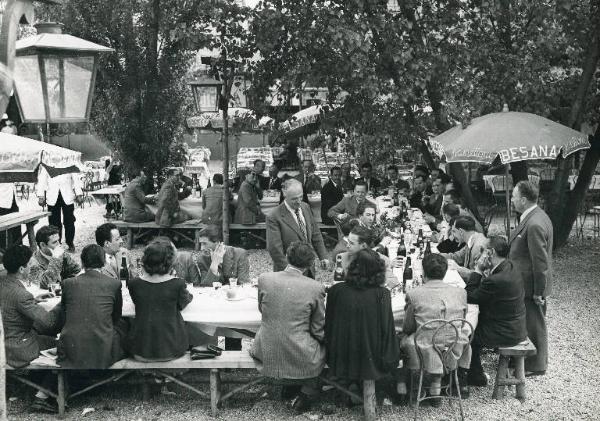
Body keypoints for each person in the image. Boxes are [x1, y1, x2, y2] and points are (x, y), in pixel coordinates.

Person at [250, 242, 326, 413]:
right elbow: (318, 328)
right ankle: (306, 392)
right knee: (322, 349)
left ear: (286, 257)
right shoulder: (316, 288)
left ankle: (290, 387)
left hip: (266, 350)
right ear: (310, 264)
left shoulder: (264, 279)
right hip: (300, 354)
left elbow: (262, 310)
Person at [396, 253, 471, 405]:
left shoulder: (414, 294)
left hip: (423, 346)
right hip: (454, 345)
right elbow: (462, 323)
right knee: (454, 335)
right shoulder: (461, 292)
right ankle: (436, 385)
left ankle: (406, 384)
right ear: (445, 273)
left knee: (400, 337)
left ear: (423, 272)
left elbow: (408, 326)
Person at [325, 249, 400, 394]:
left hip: (339, 354)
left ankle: (350, 383)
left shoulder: (336, 290)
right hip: (371, 356)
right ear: (378, 270)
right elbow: (387, 329)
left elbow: (329, 324)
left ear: (352, 267)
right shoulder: (383, 294)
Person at [0, 245, 61, 412]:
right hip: (17, 347)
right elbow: (49, 322)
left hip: (4, 341)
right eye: (29, 265)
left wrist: (34, 299)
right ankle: (42, 397)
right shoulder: (22, 295)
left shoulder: (4, 282)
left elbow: (12, 302)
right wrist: (62, 304)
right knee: (62, 345)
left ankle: (37, 380)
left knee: (43, 334)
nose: (32, 267)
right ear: (21, 268)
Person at [466, 236, 527, 386]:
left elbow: (470, 297)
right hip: (515, 324)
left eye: (482, 250)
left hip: (505, 331)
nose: (480, 255)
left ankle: (475, 377)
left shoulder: (495, 280)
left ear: (490, 252)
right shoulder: (510, 266)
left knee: (467, 335)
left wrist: (478, 270)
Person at [509, 180, 553, 375]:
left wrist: (538, 291)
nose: (511, 199)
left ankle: (536, 365)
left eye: (514, 196)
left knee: (535, 323)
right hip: (525, 282)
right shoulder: (534, 216)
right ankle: (531, 361)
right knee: (530, 321)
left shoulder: (534, 223)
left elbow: (540, 262)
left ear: (524, 200)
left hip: (530, 284)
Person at [57, 244, 126, 368]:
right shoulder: (114, 284)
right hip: (102, 351)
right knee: (123, 326)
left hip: (72, 350)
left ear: (82, 263)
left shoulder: (68, 283)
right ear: (104, 263)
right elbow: (116, 316)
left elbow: (64, 315)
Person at [126, 238, 193, 361]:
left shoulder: (134, 284)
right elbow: (184, 302)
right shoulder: (177, 284)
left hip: (140, 350)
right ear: (169, 263)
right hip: (171, 350)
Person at [266, 179, 329, 276]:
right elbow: (275, 249)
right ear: (285, 195)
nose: (299, 201)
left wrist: (323, 257)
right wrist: (291, 272)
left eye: (301, 197)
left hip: (308, 268)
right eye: (294, 199)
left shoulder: (306, 207)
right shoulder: (274, 216)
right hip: (287, 272)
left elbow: (316, 234)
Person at [173, 224, 250, 286]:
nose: (201, 248)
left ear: (217, 243)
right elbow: (205, 287)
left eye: (204, 244)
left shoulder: (239, 254)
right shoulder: (202, 259)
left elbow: (244, 285)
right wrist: (214, 265)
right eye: (200, 244)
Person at [36, 167, 83, 252]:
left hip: (67, 196)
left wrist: (79, 194)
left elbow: (76, 179)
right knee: (54, 223)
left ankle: (70, 243)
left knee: (69, 221)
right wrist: (41, 195)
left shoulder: (69, 160)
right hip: (52, 196)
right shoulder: (47, 162)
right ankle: (56, 245)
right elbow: (42, 179)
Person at [29, 225, 81, 290]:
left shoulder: (59, 252)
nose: (58, 245)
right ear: (42, 245)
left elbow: (76, 270)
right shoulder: (33, 262)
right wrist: (56, 259)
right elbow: (45, 284)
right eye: (54, 242)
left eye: (58, 241)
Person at [441, 216, 487, 280]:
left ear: (461, 231)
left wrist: (459, 269)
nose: (453, 236)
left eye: (454, 231)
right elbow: (457, 257)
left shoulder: (478, 247)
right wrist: (437, 255)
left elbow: (480, 276)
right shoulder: (471, 240)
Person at [0, 182, 21, 248]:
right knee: (2, 230)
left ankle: (17, 249)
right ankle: (3, 251)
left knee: (16, 227)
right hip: (2, 202)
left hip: (13, 201)